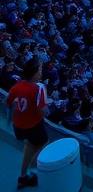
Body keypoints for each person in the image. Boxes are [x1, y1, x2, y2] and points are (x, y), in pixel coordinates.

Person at [6, 57, 48, 189]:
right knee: (43, 142)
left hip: (18, 126)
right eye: (40, 69)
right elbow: (44, 111)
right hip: (33, 126)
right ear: (35, 73)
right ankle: (33, 169)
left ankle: (22, 177)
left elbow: (7, 102)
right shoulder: (38, 89)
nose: (41, 71)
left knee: (29, 145)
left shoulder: (16, 86)